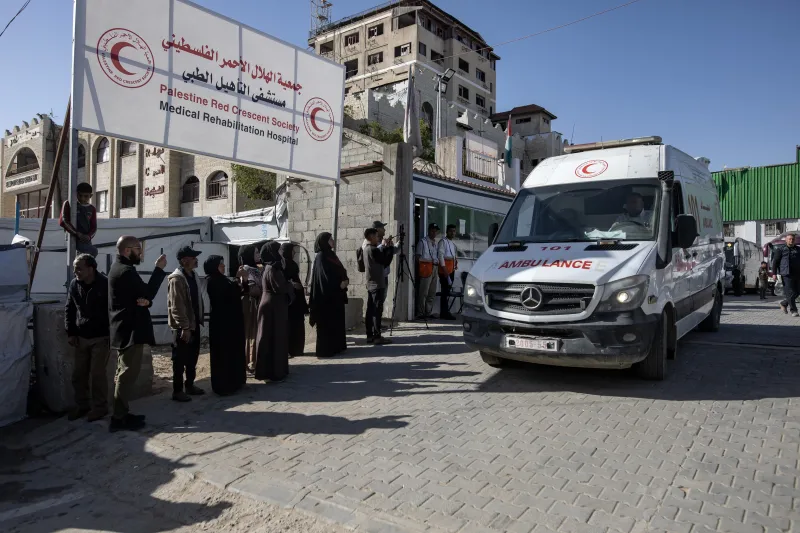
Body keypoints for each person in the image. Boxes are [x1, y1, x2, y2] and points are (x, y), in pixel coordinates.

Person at [108, 236, 167, 432]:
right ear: (127, 251)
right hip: (129, 329)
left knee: (124, 372)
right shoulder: (125, 271)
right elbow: (147, 292)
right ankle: (118, 418)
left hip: (126, 328)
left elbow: (141, 297)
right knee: (127, 374)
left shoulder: (121, 268)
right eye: (138, 249)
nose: (141, 253)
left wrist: (146, 301)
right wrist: (159, 269)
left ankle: (122, 412)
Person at [65, 254, 110, 422]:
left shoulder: (105, 284)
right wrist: (71, 332)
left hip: (101, 336)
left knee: (97, 374)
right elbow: (69, 308)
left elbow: (113, 309)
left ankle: (100, 407)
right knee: (79, 374)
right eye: (75, 268)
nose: (75, 271)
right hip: (81, 336)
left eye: (79, 268)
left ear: (91, 269)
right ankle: (82, 405)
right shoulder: (74, 284)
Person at [204, 255, 247, 396]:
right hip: (221, 324)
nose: (223, 266)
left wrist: (242, 281)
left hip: (231, 323)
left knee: (233, 351)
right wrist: (237, 279)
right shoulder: (212, 281)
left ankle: (236, 380)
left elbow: (238, 292)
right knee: (223, 355)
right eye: (220, 264)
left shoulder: (224, 279)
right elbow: (227, 295)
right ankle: (224, 385)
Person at [167, 246, 205, 402]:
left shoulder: (193, 275)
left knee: (192, 358)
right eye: (193, 258)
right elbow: (176, 306)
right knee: (179, 360)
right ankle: (177, 391)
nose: (196, 260)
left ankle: (190, 385)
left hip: (193, 324)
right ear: (184, 261)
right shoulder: (177, 279)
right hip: (182, 327)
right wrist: (184, 327)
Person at [254, 241, 292, 382]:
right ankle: (270, 372)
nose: (281, 252)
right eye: (278, 250)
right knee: (270, 338)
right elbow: (279, 287)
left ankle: (277, 371)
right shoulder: (271, 268)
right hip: (271, 308)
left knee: (277, 338)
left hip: (275, 306)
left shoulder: (274, 267)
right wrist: (290, 285)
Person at [309, 232, 349, 357]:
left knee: (336, 322)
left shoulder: (331, 255)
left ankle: (337, 347)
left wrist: (345, 280)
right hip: (326, 297)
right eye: (330, 239)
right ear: (324, 242)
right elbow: (324, 278)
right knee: (327, 324)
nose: (333, 241)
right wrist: (339, 284)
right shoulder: (321, 257)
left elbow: (340, 270)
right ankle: (326, 350)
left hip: (336, 295)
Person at [363, 228, 394, 344]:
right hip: (377, 284)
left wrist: (384, 247)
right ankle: (377, 336)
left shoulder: (366, 249)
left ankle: (369, 335)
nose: (378, 239)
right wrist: (390, 248)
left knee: (370, 310)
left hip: (370, 283)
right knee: (377, 311)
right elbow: (385, 261)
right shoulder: (373, 250)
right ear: (371, 237)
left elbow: (379, 259)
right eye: (376, 236)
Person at [281, 242, 308, 358]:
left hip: (296, 298)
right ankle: (291, 349)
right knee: (291, 325)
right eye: (292, 250)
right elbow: (282, 281)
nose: (294, 253)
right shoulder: (282, 265)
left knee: (297, 325)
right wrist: (292, 285)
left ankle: (297, 349)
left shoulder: (291, 263)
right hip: (290, 300)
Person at [238, 244, 261, 374]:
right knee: (250, 332)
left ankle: (254, 360)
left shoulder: (256, 268)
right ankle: (249, 362)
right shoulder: (246, 269)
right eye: (256, 252)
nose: (259, 255)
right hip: (250, 304)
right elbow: (248, 287)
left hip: (256, 303)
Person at [59, 182, 98, 257]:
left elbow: (94, 227)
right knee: (93, 251)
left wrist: (88, 236)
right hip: (73, 237)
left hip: (85, 240)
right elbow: (63, 221)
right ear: (76, 194)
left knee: (87, 257)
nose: (82, 198)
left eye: (86, 196)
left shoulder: (92, 208)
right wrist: (77, 233)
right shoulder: (68, 203)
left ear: (90, 196)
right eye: (80, 195)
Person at [772, 233, 800, 316]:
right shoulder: (781, 249)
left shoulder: (798, 249)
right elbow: (775, 262)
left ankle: (784, 303)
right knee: (790, 292)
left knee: (797, 292)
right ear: (786, 240)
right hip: (786, 274)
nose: (791, 240)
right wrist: (774, 274)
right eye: (789, 239)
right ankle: (794, 310)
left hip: (798, 273)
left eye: (793, 239)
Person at [415, 223, 440, 319]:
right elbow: (417, 257)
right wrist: (427, 262)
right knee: (423, 292)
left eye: (435, 231)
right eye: (432, 231)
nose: (434, 233)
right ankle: (421, 312)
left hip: (434, 267)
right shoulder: (423, 242)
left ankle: (428, 312)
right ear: (429, 230)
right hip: (426, 267)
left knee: (432, 292)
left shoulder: (435, 243)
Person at [437, 224, 459, 320]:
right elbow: (441, 256)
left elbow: (453, 256)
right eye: (450, 231)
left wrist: (455, 265)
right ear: (447, 232)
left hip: (451, 269)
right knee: (445, 291)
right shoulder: (443, 242)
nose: (452, 233)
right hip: (445, 270)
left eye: (454, 231)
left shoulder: (452, 244)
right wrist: (444, 269)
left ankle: (445, 311)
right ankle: (444, 312)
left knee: (447, 291)